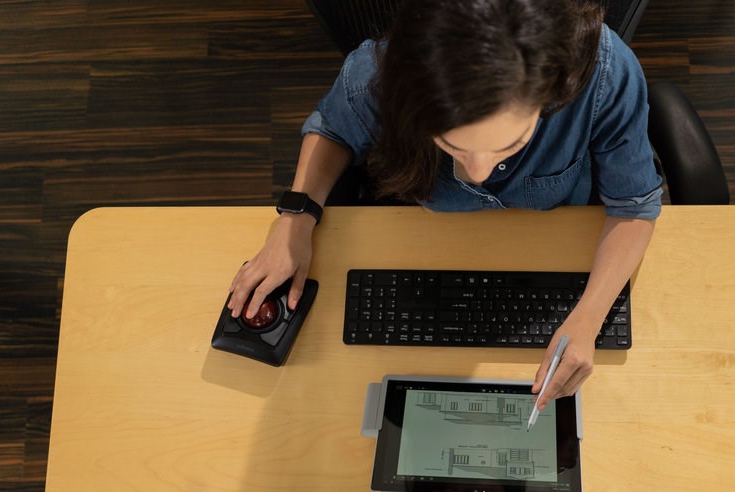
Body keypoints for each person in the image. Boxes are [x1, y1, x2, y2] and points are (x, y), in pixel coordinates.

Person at [228, 0, 662, 410]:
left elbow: (634, 206)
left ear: (553, 92)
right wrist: (295, 221)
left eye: (509, 145)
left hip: (561, 236)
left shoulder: (606, 73)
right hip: (425, 240)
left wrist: (587, 320)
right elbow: (335, 131)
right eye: (452, 145)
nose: (477, 172)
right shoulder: (377, 74)